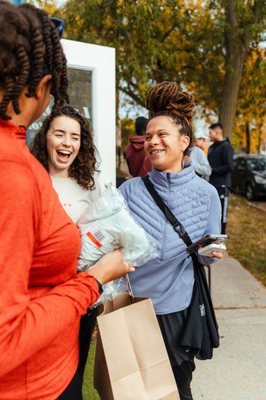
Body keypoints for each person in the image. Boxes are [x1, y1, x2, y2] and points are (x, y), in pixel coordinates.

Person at [0, 3, 133, 400]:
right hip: (31, 385)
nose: (67, 143)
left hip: (57, 362)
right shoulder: (15, 174)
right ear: (40, 87)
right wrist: (93, 280)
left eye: (75, 137)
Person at [119, 81, 223, 400]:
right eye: (149, 136)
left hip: (178, 310)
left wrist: (212, 252)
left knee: (176, 391)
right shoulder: (128, 192)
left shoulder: (207, 195)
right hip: (133, 308)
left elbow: (208, 256)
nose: (153, 141)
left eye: (161, 134)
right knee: (132, 391)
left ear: (183, 141)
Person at [30, 105, 102, 385]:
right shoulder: (31, 180)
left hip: (80, 299)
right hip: (38, 300)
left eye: (75, 137)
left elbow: (104, 237)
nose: (67, 143)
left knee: (72, 378)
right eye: (59, 134)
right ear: (45, 137)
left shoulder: (90, 187)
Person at [208, 122, 234, 234]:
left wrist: (213, 171)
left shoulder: (226, 146)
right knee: (212, 213)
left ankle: (221, 239)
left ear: (217, 132)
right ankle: (212, 237)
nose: (208, 135)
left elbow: (229, 166)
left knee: (222, 214)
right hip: (211, 185)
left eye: (210, 133)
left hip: (222, 185)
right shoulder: (211, 147)